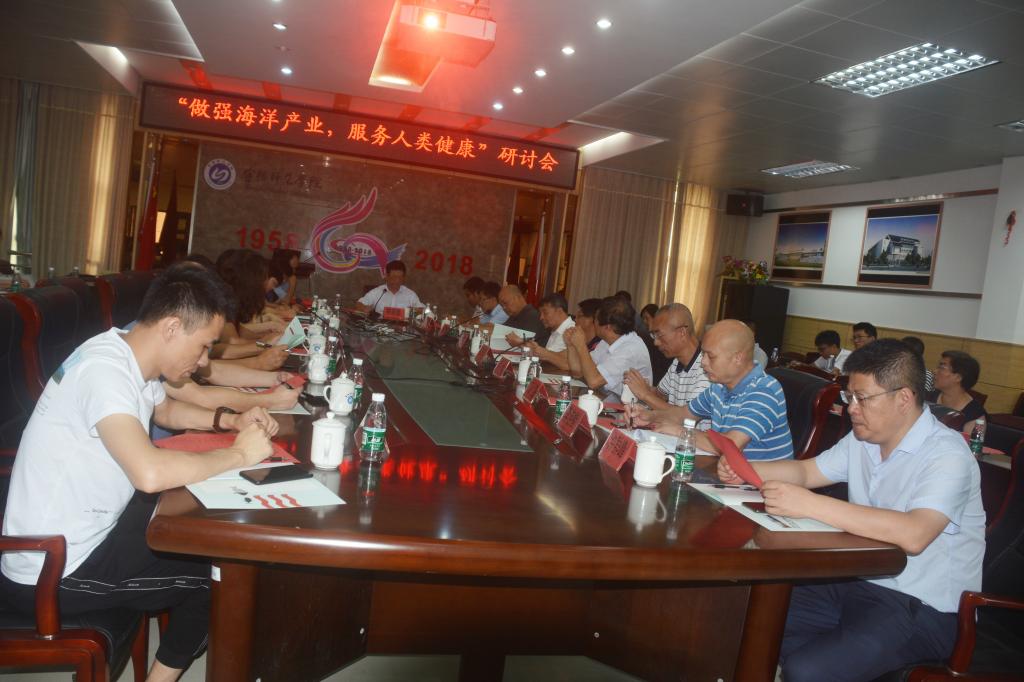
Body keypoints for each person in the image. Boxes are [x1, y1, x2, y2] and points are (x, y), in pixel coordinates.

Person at [1, 263, 280, 682]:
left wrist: (230, 421)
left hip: (84, 534)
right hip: (52, 568)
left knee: (202, 533)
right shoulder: (104, 373)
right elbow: (148, 474)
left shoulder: (124, 351)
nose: (204, 362)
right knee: (214, 580)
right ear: (172, 328)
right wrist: (239, 455)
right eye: (203, 347)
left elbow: (164, 410)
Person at [717, 339, 985, 682]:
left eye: (862, 398)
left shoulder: (947, 455)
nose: (851, 409)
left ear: (904, 398)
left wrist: (810, 504)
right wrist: (746, 468)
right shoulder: (864, 439)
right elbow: (807, 472)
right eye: (849, 396)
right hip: (858, 578)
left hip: (922, 605)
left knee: (806, 671)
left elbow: (915, 534)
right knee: (747, 618)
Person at [631, 319, 792, 460]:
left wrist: (680, 431)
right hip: (728, 473)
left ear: (738, 357)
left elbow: (731, 445)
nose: (703, 362)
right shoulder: (719, 387)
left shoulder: (764, 391)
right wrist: (649, 416)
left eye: (711, 356)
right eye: (703, 354)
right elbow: (683, 414)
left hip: (761, 482)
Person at [622, 303, 710, 425]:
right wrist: (642, 386)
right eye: (653, 335)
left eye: (659, 335)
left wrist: (645, 394)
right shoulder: (677, 362)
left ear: (682, 332)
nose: (656, 342)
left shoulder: (707, 368)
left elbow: (687, 417)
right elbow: (661, 395)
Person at [564, 296, 652, 397]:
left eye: (595, 320)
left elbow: (593, 381)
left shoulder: (630, 349)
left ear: (608, 327)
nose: (594, 323)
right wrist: (571, 345)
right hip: (606, 398)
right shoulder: (608, 341)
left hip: (626, 405)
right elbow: (578, 372)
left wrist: (581, 345)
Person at [932, 350, 987, 432]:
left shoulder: (976, 417)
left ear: (958, 377)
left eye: (942, 368)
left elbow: (973, 440)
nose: (934, 371)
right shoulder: (926, 398)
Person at [523, 293, 575, 370]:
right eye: (540, 313)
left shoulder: (572, 331)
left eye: (545, 313)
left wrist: (539, 351)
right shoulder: (555, 329)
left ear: (560, 311)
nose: (541, 317)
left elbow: (568, 364)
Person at [356, 260, 422, 315]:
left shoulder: (410, 294)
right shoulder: (377, 292)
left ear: (404, 278)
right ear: (386, 276)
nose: (397, 281)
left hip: (401, 326)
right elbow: (359, 304)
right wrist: (364, 308)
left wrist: (415, 311)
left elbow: (422, 310)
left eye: (400, 277)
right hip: (379, 326)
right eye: (394, 277)